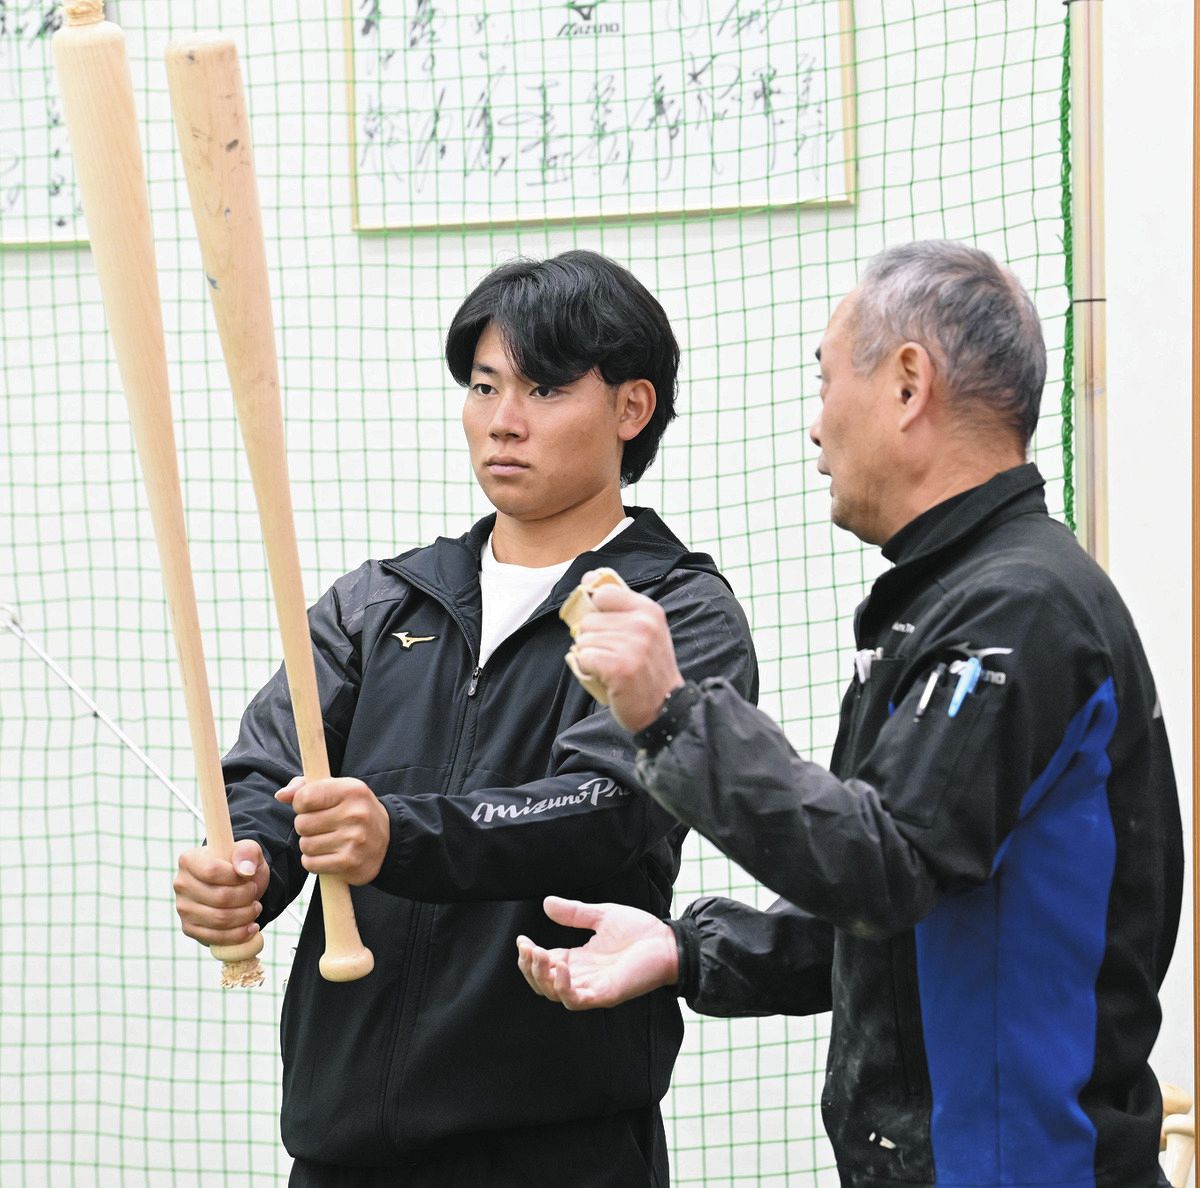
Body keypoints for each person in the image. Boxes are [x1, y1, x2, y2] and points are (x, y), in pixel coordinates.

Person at [518, 240, 1184, 1188]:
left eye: (827, 380)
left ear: (909, 384)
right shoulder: (961, 599)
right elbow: (908, 914)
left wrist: (674, 715)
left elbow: (884, 866)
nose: (816, 427)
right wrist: (687, 948)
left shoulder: (1018, 608)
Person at [172, 249, 758, 1187]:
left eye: (543, 388)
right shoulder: (378, 605)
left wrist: (391, 835)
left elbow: (608, 809)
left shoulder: (670, 610)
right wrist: (245, 866)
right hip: (341, 1150)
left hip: (560, 1152)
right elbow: (272, 777)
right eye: (483, 387)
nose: (502, 421)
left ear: (631, 408)